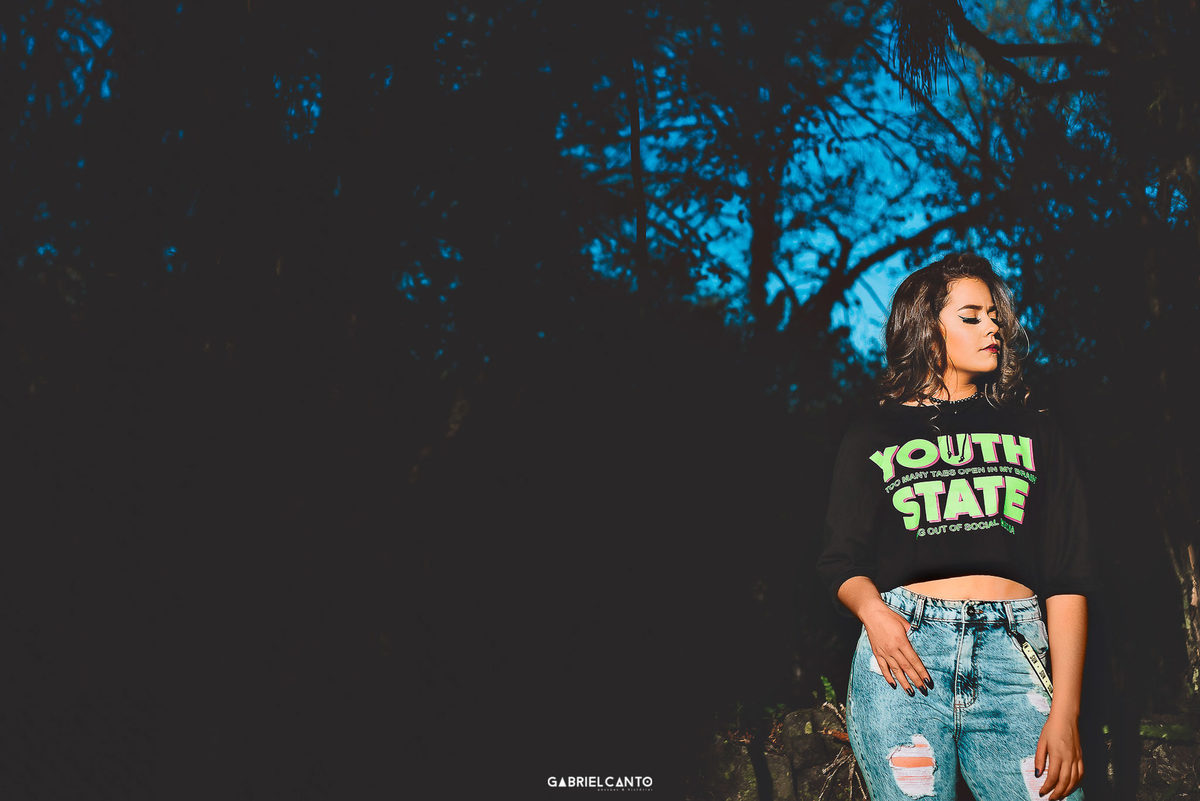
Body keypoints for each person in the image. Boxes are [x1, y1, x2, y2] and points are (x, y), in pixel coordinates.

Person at [816, 253, 1100, 801]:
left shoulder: (1035, 430)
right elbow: (839, 561)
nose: (993, 327)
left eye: (994, 316)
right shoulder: (874, 431)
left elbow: (1069, 573)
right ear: (926, 330)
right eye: (971, 316)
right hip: (905, 655)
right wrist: (875, 614)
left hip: (1015, 655)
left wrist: (1066, 711)